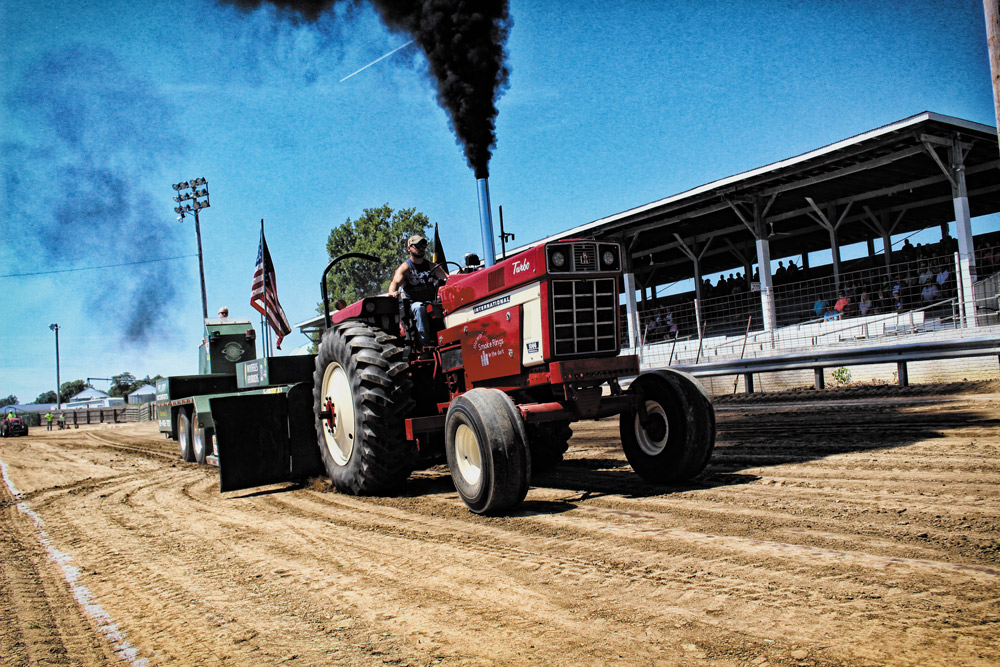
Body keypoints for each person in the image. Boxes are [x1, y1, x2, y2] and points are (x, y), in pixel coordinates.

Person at [388, 234, 449, 346]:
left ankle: (447, 339)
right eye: (417, 245)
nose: (421, 248)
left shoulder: (431, 266)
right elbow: (394, 284)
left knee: (442, 306)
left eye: (423, 245)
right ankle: (425, 344)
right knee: (420, 308)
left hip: (431, 302)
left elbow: (447, 278)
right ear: (409, 248)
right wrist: (392, 293)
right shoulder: (405, 268)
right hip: (413, 306)